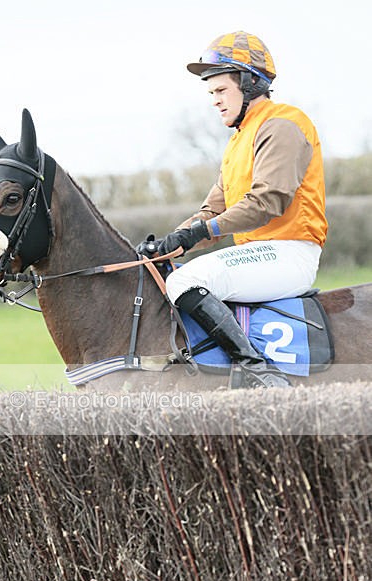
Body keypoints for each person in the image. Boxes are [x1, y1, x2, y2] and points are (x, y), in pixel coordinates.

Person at [137, 31, 327, 389]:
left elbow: (267, 202)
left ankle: (259, 373)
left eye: (221, 91)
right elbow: (212, 211)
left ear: (251, 83)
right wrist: (171, 243)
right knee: (172, 272)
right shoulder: (239, 140)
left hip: (291, 252)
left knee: (186, 280)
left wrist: (200, 233)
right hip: (260, 254)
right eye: (212, 93)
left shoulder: (283, 124)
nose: (215, 101)